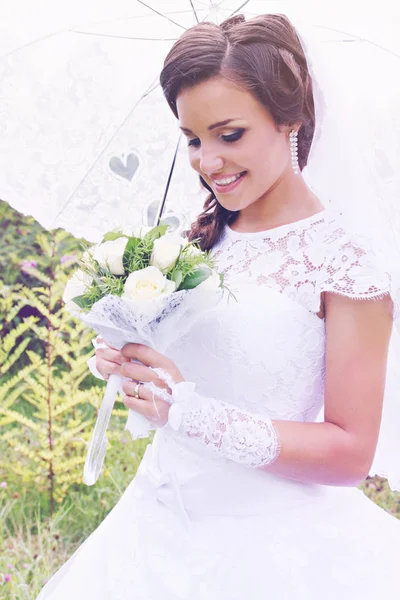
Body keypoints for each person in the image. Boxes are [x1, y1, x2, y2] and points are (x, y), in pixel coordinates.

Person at [37, 13, 400, 599]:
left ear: (291, 118)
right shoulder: (191, 240)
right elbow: (202, 363)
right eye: (193, 139)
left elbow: (350, 452)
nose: (207, 162)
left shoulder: (345, 264)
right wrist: (135, 360)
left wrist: (188, 413)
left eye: (229, 135)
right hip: (156, 525)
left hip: (273, 549)